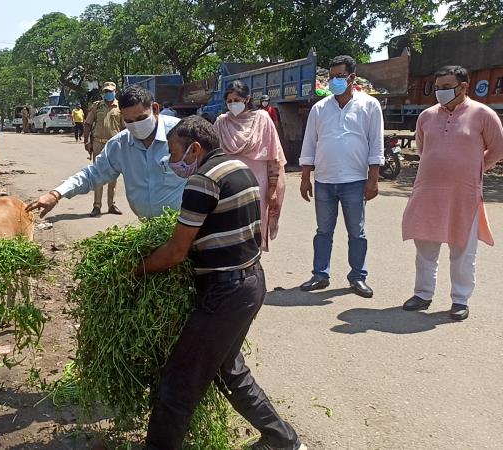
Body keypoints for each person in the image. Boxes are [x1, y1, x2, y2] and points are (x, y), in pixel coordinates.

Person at [136, 116, 305, 450]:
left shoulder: (203, 181)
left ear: (195, 149)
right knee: (228, 369)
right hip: (251, 283)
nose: (172, 161)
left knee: (179, 380)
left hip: (225, 292)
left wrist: (136, 269)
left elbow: (175, 252)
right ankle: (282, 440)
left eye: (175, 153)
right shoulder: (239, 168)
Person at [401, 65, 503, 321]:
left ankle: (460, 300)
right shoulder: (426, 116)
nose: (440, 92)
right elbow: (423, 149)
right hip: (428, 192)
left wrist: (475, 168)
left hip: (464, 195)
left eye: (446, 87)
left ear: (464, 86)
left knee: (463, 251)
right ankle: (422, 294)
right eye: (437, 88)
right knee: (425, 249)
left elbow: (497, 149)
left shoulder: (483, 114)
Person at [26, 85, 185, 220]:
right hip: (150, 228)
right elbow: (92, 175)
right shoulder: (120, 144)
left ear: (155, 109)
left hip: (187, 225)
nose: (136, 126)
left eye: (141, 118)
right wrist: (56, 194)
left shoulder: (182, 134)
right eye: (129, 121)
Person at [298, 55, 384, 298]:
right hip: (324, 181)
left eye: (339, 76)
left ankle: (358, 277)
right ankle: (320, 275)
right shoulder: (320, 108)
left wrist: (373, 179)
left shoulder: (369, 105)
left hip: (355, 181)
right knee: (323, 231)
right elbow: (309, 143)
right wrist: (305, 177)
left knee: (356, 232)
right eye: (331, 77)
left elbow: (376, 144)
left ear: (352, 77)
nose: (334, 81)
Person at [215, 81, 287, 251]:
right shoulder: (221, 123)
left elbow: (273, 157)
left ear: (247, 99)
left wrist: (272, 190)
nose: (233, 104)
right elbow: (214, 155)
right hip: (228, 185)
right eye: (229, 101)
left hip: (257, 185)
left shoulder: (262, 119)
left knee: (254, 226)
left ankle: (253, 260)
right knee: (230, 227)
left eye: (237, 100)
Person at [80, 81, 124, 216]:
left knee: (113, 175)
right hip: (98, 143)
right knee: (98, 174)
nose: (108, 94)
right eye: (105, 91)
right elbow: (87, 124)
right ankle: (97, 205)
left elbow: (125, 127)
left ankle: (111, 205)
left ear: (115, 92)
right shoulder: (97, 106)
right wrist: (86, 141)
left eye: (110, 91)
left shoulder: (121, 107)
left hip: (115, 145)